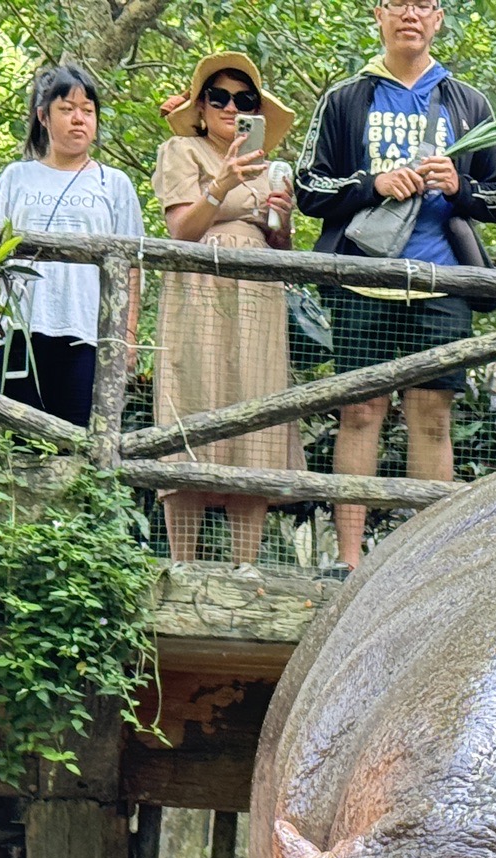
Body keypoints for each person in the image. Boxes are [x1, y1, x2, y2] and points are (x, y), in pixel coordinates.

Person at [294, 0, 496, 574]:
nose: (409, 14)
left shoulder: (470, 103)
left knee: (431, 416)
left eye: (423, 4)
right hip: (363, 280)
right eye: (398, 4)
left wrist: (459, 185)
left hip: (442, 282)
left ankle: (422, 567)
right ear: (379, 15)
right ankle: (348, 562)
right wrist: (373, 183)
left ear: (439, 18)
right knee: (360, 412)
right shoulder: (346, 98)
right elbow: (309, 188)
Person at [152, 53, 298, 563]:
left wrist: (281, 221)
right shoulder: (182, 150)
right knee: (190, 398)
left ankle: (246, 567)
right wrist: (223, 184)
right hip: (199, 287)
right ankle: (182, 565)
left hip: (258, 292)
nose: (231, 106)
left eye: (244, 99)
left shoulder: (271, 166)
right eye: (219, 97)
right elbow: (181, 232)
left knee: (254, 408)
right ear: (200, 107)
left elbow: (282, 247)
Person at [0, 64, 144, 428]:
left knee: (78, 438)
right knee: (19, 437)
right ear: (43, 115)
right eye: (67, 109)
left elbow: (132, 268)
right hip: (21, 328)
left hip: (86, 332)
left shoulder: (114, 184)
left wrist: (127, 337)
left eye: (87, 111)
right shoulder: (16, 178)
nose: (78, 120)